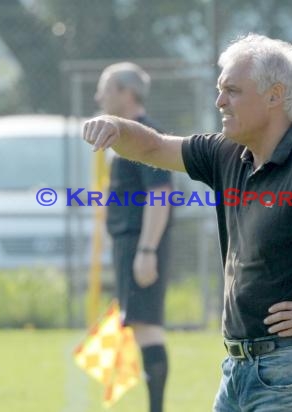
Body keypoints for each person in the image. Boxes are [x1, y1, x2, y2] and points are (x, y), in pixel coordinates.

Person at [84, 35, 292, 411]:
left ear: (274, 95)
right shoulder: (226, 154)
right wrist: (116, 127)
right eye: (220, 90)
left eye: (232, 91)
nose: (220, 102)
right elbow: (152, 146)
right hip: (237, 369)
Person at [95, 62, 172, 412]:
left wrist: (147, 249)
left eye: (106, 88)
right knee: (138, 325)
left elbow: (161, 193)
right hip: (129, 243)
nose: (100, 96)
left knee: (146, 328)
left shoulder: (143, 135)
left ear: (127, 93)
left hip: (140, 243)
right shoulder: (128, 135)